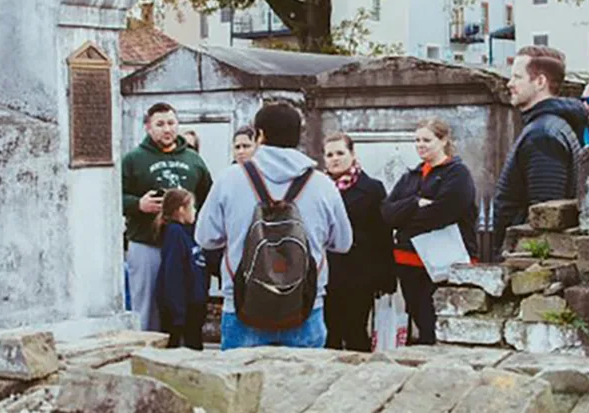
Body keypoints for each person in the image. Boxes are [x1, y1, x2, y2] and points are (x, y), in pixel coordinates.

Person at [196, 102, 353, 349]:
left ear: (260, 135)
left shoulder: (230, 179)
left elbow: (205, 237)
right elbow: (343, 243)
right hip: (306, 305)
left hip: (242, 305)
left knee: (241, 385)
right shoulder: (323, 185)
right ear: (298, 135)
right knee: (304, 385)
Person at [382, 118, 477, 345]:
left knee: (442, 325)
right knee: (420, 320)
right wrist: (414, 203)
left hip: (443, 262)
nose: (420, 145)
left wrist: (405, 220)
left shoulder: (457, 173)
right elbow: (387, 213)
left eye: (427, 139)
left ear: (443, 140)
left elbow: (443, 213)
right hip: (408, 261)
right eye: (416, 140)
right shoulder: (409, 177)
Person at [122, 102, 213, 331]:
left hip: (184, 244)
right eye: (160, 124)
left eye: (171, 123)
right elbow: (112, 198)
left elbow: (209, 197)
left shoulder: (193, 160)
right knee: (147, 306)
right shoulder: (133, 159)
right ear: (148, 127)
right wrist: (138, 204)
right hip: (147, 242)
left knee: (186, 301)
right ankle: (147, 351)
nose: (167, 129)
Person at [493, 46, 587, 261]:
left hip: (527, 260)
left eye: (517, 77)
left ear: (540, 82)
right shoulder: (546, 127)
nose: (510, 84)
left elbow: (544, 216)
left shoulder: (542, 135)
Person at [322, 132, 395, 352]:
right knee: (328, 334)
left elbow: (383, 235)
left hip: (359, 273)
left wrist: (386, 278)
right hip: (326, 273)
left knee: (355, 332)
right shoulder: (318, 188)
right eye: (329, 154)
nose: (335, 159)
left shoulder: (372, 188)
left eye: (340, 153)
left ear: (352, 154)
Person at [157, 188, 209, 350]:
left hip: (194, 305)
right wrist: (178, 313)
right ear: (181, 210)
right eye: (192, 207)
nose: (195, 211)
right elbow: (173, 274)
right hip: (182, 308)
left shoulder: (190, 233)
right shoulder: (175, 234)